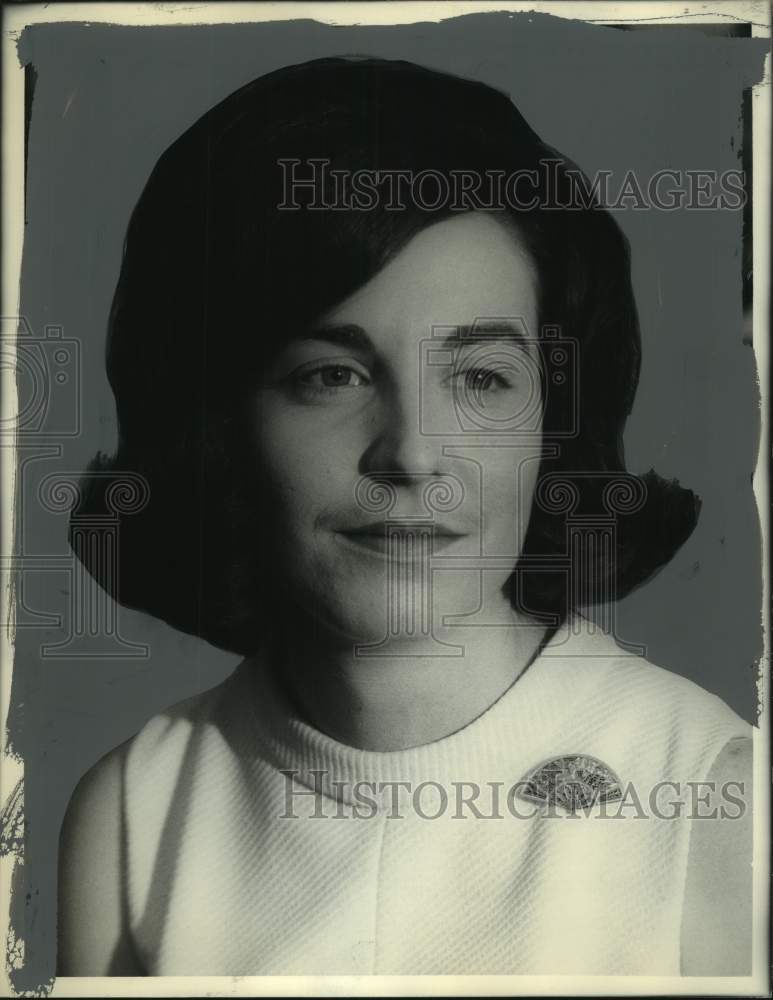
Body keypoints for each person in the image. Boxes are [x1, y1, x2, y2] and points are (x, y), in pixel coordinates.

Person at [57, 56, 753, 977]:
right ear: (218, 421)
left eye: (480, 380)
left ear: (551, 424)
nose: (413, 452)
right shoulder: (130, 818)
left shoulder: (714, 793)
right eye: (330, 376)